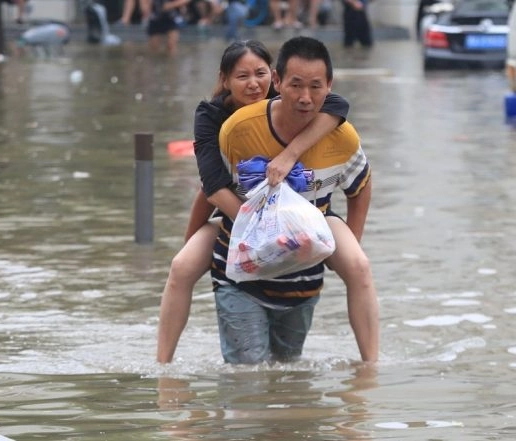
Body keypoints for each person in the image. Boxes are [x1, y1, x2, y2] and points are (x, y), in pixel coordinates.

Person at [156, 39, 378, 364]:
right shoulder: (219, 121)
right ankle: (163, 366)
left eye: (259, 73)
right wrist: (258, 226)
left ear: (272, 77)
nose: (253, 84)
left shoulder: (299, 103)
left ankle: (370, 367)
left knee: (358, 265)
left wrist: (290, 155)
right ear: (225, 80)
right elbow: (211, 187)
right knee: (181, 266)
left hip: (310, 213)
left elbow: (338, 107)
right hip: (237, 212)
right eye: (242, 76)